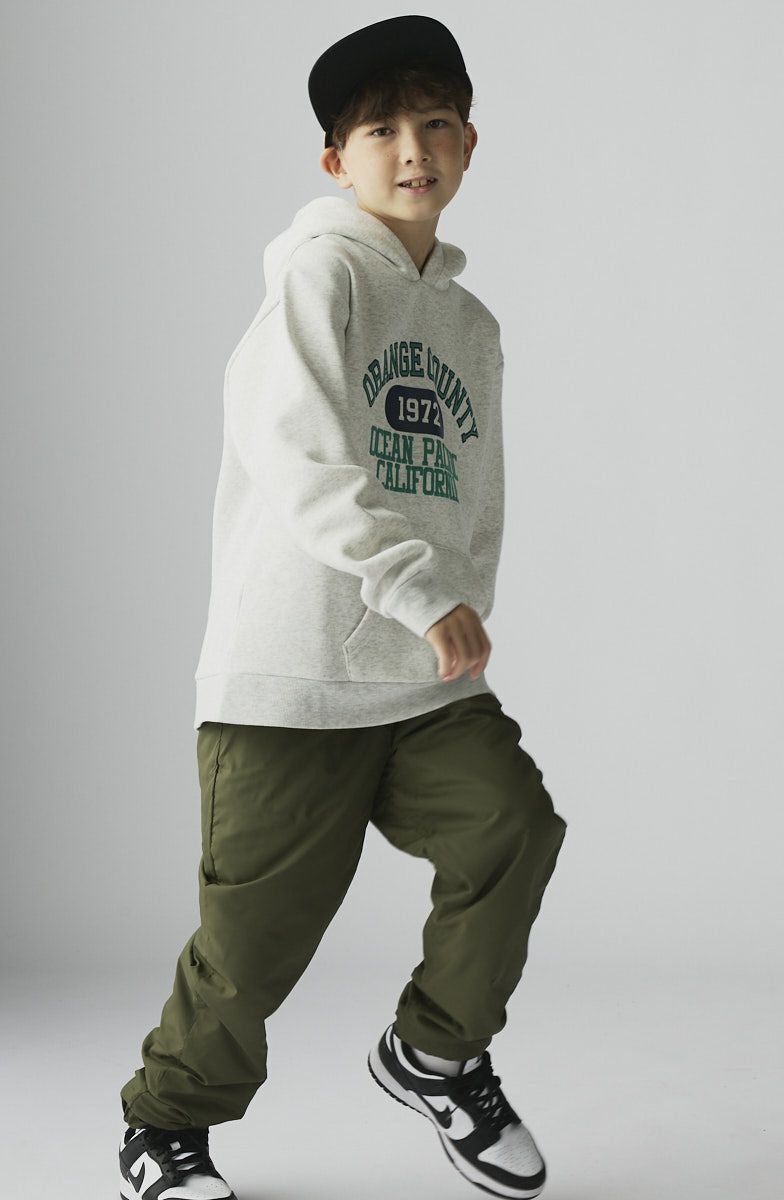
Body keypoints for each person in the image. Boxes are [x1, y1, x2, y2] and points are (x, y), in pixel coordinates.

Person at [117, 15, 568, 1200]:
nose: (411, 148)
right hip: (293, 677)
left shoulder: (470, 326)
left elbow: (473, 496)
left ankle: (435, 1053)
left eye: (435, 123)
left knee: (511, 826)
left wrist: (452, 608)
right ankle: (162, 1129)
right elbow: (301, 458)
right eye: (380, 131)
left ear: (468, 143)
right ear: (336, 160)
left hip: (419, 677)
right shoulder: (319, 276)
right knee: (251, 948)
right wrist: (416, 588)